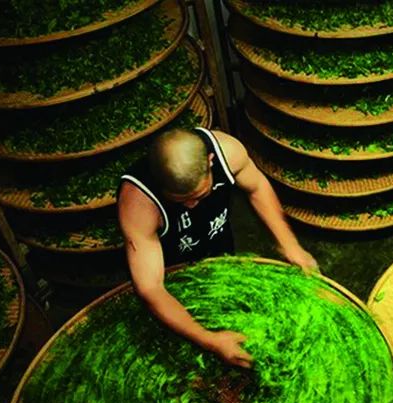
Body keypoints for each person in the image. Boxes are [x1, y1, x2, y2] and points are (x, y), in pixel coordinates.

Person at [118, 126, 318, 368]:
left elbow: (257, 188)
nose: (191, 205)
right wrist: (210, 341)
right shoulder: (138, 204)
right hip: (173, 268)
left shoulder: (228, 152)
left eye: (199, 194)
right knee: (183, 348)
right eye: (181, 200)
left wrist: (290, 245)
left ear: (210, 162)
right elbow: (151, 288)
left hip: (217, 242)